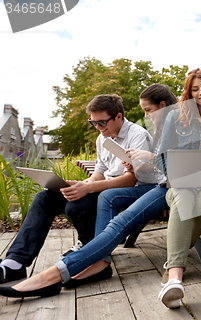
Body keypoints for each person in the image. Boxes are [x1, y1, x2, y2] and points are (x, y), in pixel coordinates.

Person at [0, 84, 176, 297]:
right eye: (93, 123)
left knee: (78, 205)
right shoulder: (102, 138)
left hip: (132, 191)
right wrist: (82, 183)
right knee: (45, 197)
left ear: (118, 117)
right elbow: (100, 172)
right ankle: (14, 262)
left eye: (102, 122)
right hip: (105, 188)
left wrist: (89, 188)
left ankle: (89, 250)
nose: (98, 127)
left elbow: (132, 179)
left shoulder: (137, 134)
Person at [155, 68, 201, 309]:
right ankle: (175, 278)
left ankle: (171, 263)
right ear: (189, 92)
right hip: (181, 183)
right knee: (184, 197)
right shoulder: (175, 117)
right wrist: (177, 177)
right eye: (195, 89)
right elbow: (161, 157)